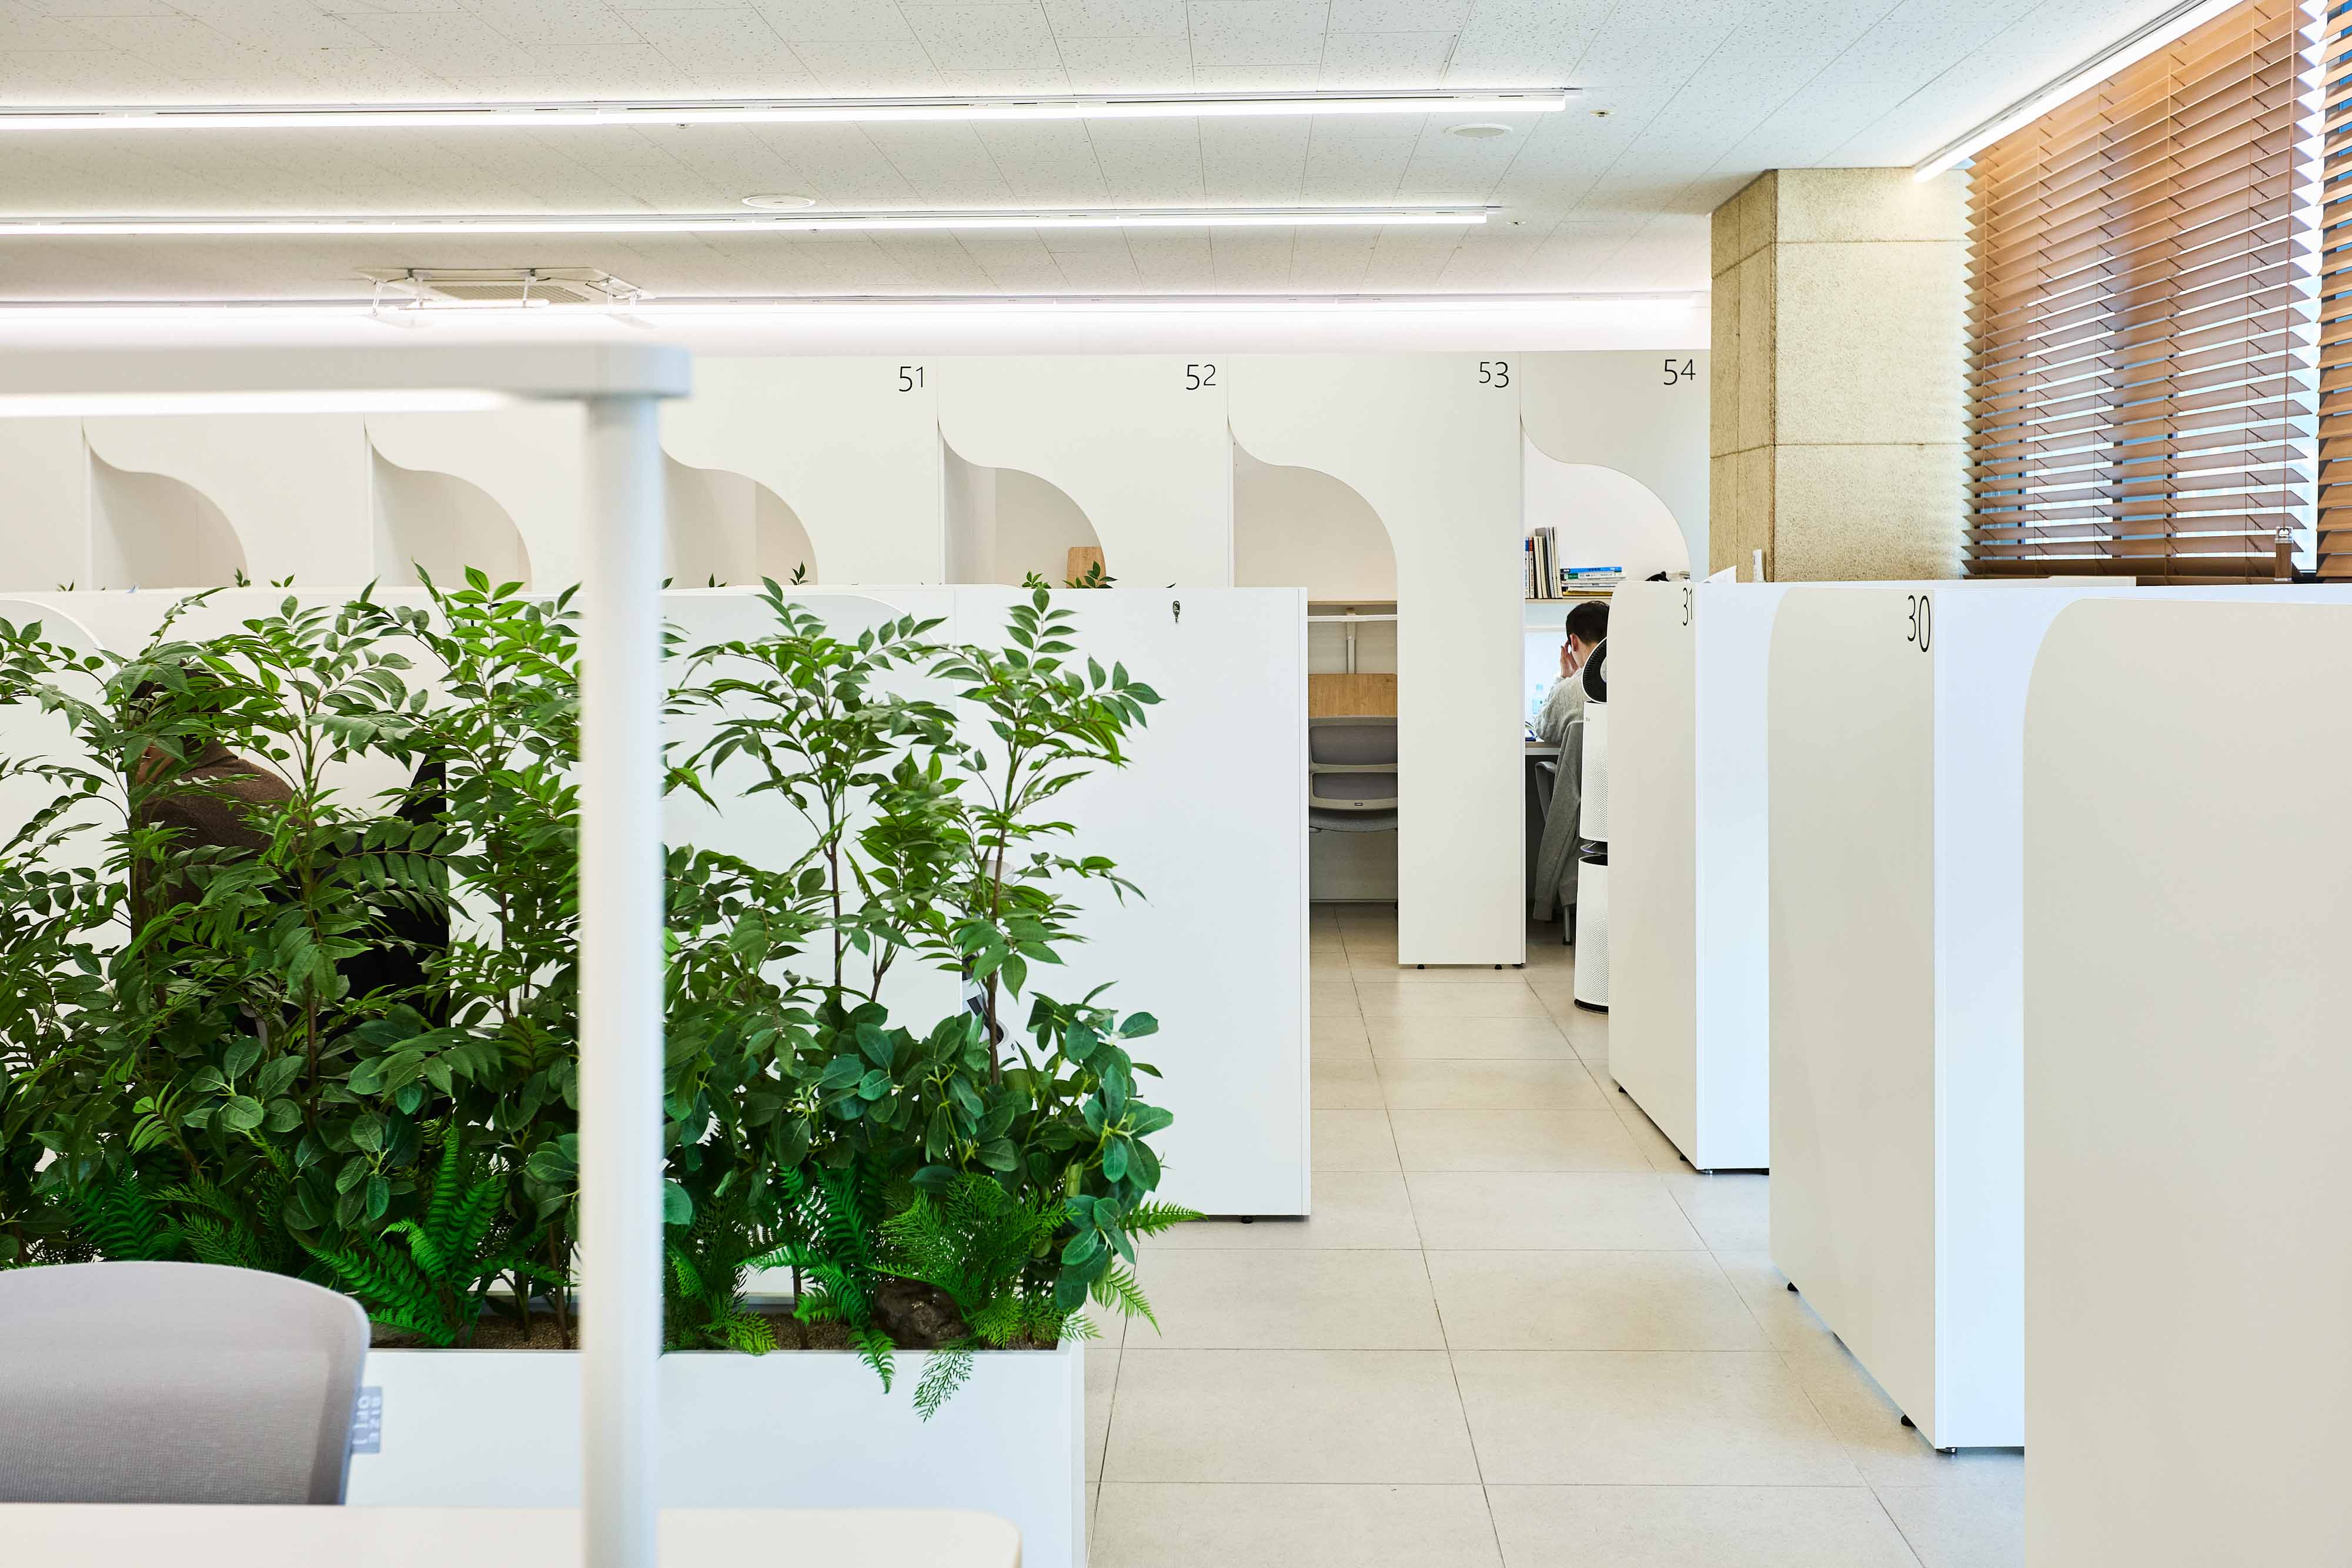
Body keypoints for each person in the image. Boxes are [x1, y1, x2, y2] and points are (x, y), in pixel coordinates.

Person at [1531, 600, 1608, 941]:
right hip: (1634, 808)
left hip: (1587, 814)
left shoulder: (1573, 689)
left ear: (1573, 642)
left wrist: (1564, 677)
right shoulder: (1644, 678)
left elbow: (1544, 729)